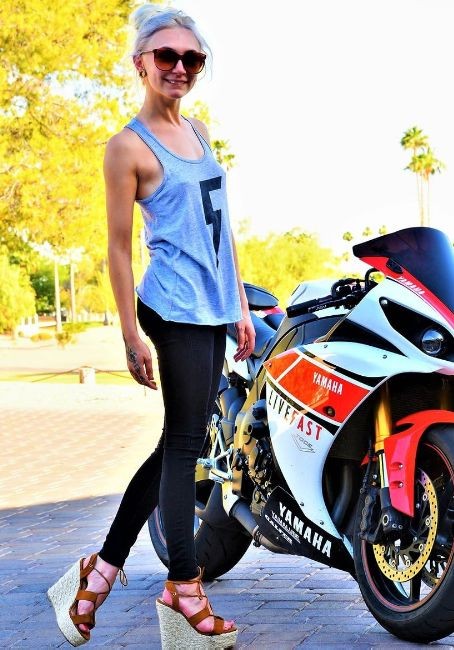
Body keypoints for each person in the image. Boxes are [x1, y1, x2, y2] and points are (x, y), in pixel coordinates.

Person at [47, 3, 255, 648]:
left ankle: (98, 573)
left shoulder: (199, 131)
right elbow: (116, 248)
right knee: (187, 444)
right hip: (171, 306)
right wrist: (128, 334)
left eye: (192, 58)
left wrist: (239, 304)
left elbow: (221, 227)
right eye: (167, 56)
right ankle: (183, 586)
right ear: (141, 62)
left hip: (212, 307)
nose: (180, 67)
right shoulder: (127, 147)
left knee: (176, 443)